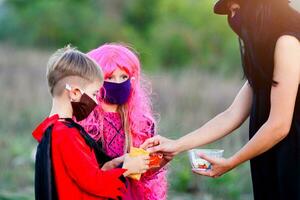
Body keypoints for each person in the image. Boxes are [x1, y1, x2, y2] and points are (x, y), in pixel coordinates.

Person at [141, 0, 300, 199]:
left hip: (293, 160)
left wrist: (232, 161)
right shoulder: (263, 53)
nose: (233, 18)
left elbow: (279, 125)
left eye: (235, 9)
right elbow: (232, 114)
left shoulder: (288, 42)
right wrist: (177, 144)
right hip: (272, 157)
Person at [32, 45, 150, 200]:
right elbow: (94, 183)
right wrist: (127, 169)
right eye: (94, 94)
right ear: (74, 93)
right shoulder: (65, 135)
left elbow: (82, 173)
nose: (96, 101)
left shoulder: (54, 128)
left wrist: (115, 163)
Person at [80, 43, 168, 200]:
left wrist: (160, 159)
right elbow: (84, 175)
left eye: (123, 77)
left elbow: (144, 174)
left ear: (132, 79)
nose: (118, 83)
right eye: (109, 77)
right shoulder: (85, 122)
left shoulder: (142, 123)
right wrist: (119, 166)